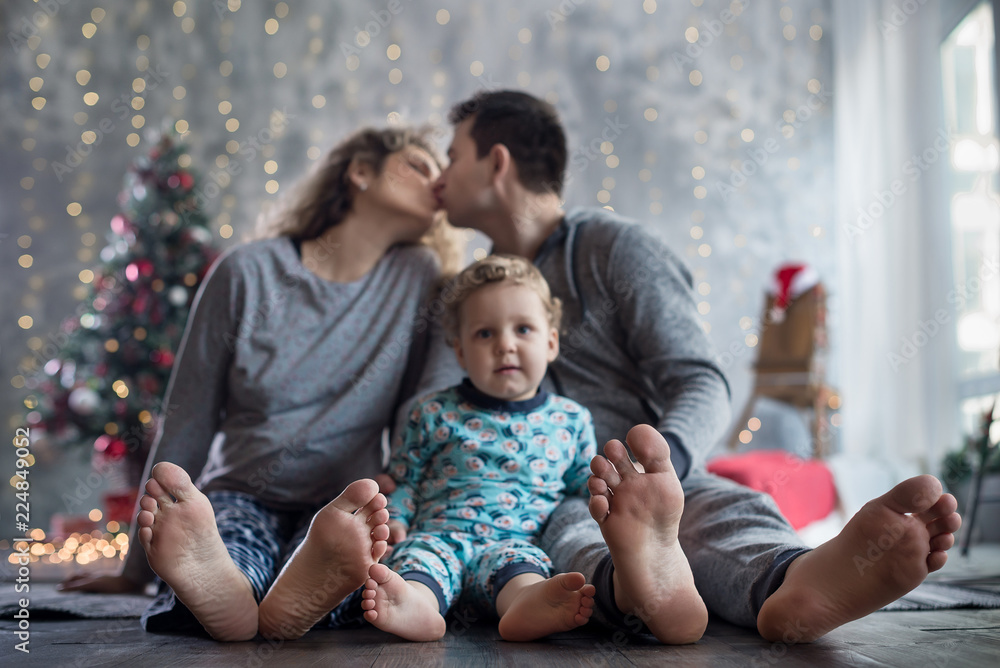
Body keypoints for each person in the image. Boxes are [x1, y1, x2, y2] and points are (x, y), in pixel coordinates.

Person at [408, 89, 963, 644]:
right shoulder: (470, 295)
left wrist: (660, 466)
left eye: (453, 156)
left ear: (497, 162)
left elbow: (700, 379)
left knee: (717, 507)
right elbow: (435, 406)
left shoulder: (614, 249)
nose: (441, 177)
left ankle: (798, 578)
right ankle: (637, 584)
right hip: (541, 499)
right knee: (576, 533)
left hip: (651, 467)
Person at [59, 126, 465, 642]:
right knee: (227, 548)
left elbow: (421, 410)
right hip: (243, 491)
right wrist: (133, 571)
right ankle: (239, 597)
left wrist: (399, 495)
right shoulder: (246, 273)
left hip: (342, 507)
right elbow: (189, 419)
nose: (437, 180)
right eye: (418, 165)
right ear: (361, 171)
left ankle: (271, 600)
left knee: (362, 567)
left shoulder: (420, 278)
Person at [362, 255, 641, 642]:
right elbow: (405, 480)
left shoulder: (570, 419)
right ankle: (418, 606)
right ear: (460, 352)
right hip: (439, 534)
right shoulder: (430, 412)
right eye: (484, 334)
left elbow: (583, 481)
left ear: (551, 342)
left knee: (524, 570)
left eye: (523, 329)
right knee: (416, 563)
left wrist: (619, 493)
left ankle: (525, 606)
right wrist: (396, 520)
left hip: (516, 541)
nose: (505, 345)